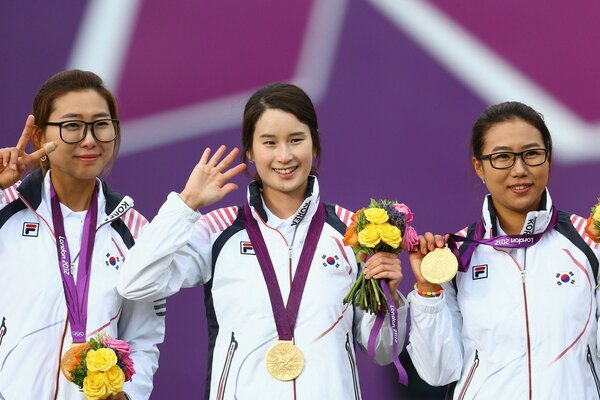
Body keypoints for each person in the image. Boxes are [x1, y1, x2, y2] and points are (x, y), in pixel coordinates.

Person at [117, 82, 407, 399]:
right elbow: (135, 283)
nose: (284, 155)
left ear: (315, 145)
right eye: (269, 142)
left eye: (296, 140)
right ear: (251, 152)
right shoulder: (218, 229)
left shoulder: (353, 231)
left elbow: (382, 352)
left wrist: (389, 298)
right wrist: (186, 204)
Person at [407, 101, 600, 399]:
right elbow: (438, 373)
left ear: (548, 159)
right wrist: (428, 290)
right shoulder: (455, 255)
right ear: (478, 166)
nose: (519, 170)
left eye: (532, 154)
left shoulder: (589, 243)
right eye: (502, 157)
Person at [0, 70, 164, 400]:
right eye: (72, 126)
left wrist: (128, 394)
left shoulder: (135, 229)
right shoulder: (5, 208)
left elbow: (143, 336)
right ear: (38, 135)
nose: (90, 139)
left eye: (101, 124)